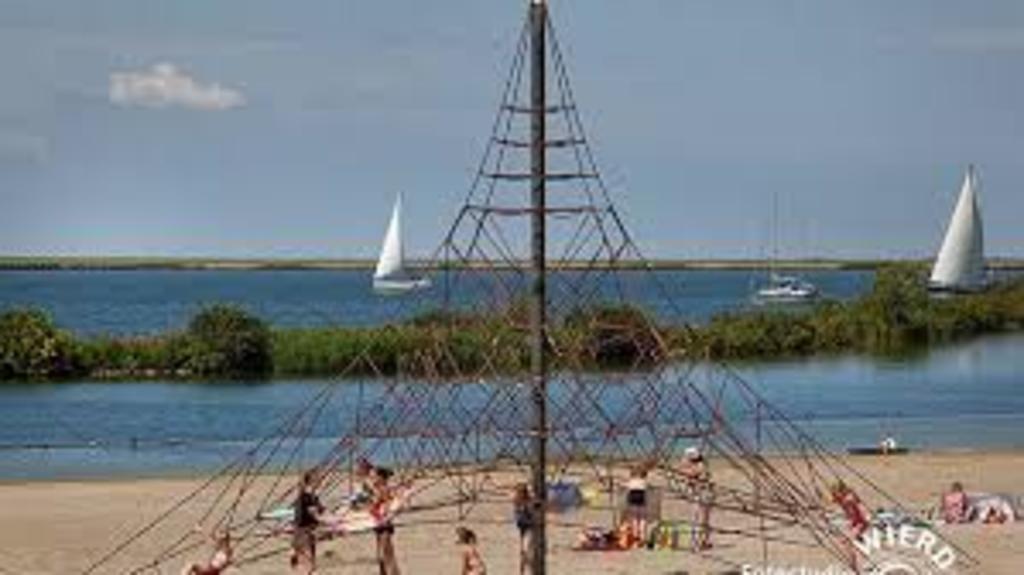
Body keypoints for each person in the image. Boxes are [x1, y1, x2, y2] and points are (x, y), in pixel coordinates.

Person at [679, 447, 714, 550]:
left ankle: (699, 542)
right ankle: (702, 541)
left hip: (703, 494)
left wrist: (685, 465)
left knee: (699, 519)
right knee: (702, 519)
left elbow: (694, 475)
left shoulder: (699, 466)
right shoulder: (697, 466)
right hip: (702, 494)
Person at [291, 470, 325, 574]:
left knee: (310, 562)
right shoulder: (305, 496)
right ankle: (296, 556)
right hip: (303, 530)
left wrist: (320, 509)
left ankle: (295, 555)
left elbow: (318, 509)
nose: (320, 482)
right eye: (317, 479)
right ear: (311, 481)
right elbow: (311, 512)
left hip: (306, 529)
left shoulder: (310, 495)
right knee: (309, 564)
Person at [371, 466, 401, 575]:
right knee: (383, 555)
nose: (373, 478)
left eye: (374, 476)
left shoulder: (384, 489)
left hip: (384, 524)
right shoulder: (381, 489)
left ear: (380, 477)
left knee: (386, 556)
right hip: (380, 524)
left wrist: (375, 510)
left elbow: (387, 506)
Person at [624, 464, 649, 547]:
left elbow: (626, 487)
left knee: (634, 519)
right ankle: (642, 537)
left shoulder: (631, 481)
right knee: (642, 518)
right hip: (641, 499)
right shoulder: (644, 481)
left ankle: (636, 537)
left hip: (632, 499)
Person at [512, 483, 533, 575]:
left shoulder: (529, 503)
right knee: (522, 553)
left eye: (517, 493)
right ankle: (522, 572)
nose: (515, 495)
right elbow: (501, 489)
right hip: (522, 530)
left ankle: (531, 571)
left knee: (526, 552)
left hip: (530, 529)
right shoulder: (516, 501)